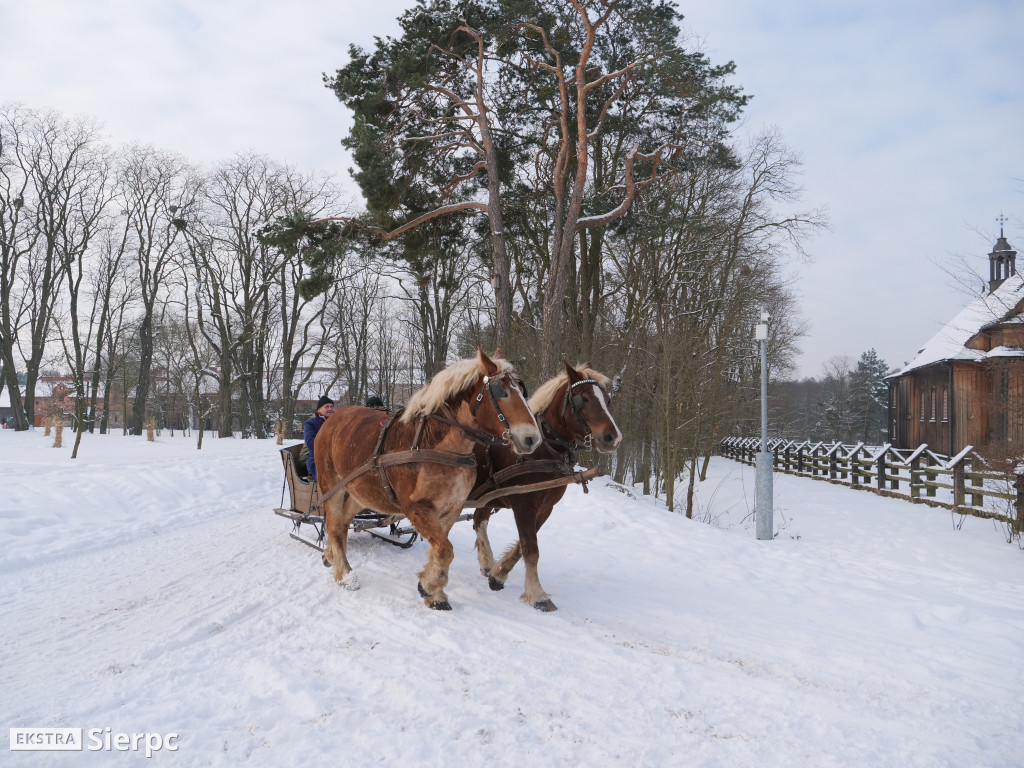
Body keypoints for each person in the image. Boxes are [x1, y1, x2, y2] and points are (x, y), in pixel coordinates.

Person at [303, 395, 335, 480]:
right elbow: (311, 443)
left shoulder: (338, 422)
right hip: (318, 460)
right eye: (326, 407)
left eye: (331, 406)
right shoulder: (310, 423)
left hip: (338, 457)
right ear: (319, 410)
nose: (330, 409)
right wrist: (333, 444)